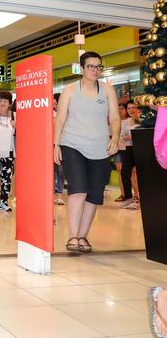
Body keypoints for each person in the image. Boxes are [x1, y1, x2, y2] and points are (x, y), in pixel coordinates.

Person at [54, 51, 120, 253]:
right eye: (91, 66)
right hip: (72, 144)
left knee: (93, 194)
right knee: (78, 189)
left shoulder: (107, 90)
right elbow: (61, 118)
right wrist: (56, 145)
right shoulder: (70, 90)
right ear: (81, 68)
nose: (95, 70)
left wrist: (115, 137)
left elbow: (115, 118)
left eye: (98, 66)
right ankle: (73, 236)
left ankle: (83, 236)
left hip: (100, 148)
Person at [119, 101, 140, 210]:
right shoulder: (125, 122)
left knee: (140, 175)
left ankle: (141, 198)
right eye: (129, 108)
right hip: (128, 149)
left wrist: (131, 136)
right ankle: (128, 199)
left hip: (141, 149)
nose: (131, 110)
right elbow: (122, 136)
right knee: (124, 173)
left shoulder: (143, 120)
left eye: (134, 107)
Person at [113, 101, 129, 202]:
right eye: (118, 109)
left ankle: (133, 194)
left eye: (122, 109)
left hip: (128, 148)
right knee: (120, 171)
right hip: (117, 148)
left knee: (130, 172)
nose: (120, 111)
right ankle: (123, 193)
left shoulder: (130, 120)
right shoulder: (115, 121)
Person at [53, 93, 65, 205]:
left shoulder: (65, 113)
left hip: (62, 144)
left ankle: (60, 195)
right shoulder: (49, 113)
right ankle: (52, 195)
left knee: (61, 171)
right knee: (51, 172)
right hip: (51, 145)